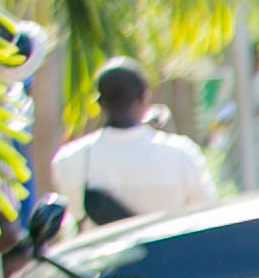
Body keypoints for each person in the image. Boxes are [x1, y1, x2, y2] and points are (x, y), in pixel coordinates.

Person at [48, 61, 215, 227]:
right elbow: (206, 210)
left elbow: (75, 213)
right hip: (169, 244)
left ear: (99, 102)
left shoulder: (69, 158)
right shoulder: (180, 153)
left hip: (106, 245)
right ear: (144, 97)